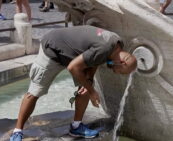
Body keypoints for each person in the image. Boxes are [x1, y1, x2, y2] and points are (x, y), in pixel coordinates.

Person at [9, 25, 137, 141]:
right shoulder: (105, 48)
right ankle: (17, 131)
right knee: (35, 92)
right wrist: (92, 91)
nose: (116, 73)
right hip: (53, 49)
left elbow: (97, 59)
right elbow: (73, 67)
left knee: (86, 87)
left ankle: (76, 127)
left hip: (75, 55)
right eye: (121, 71)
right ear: (123, 62)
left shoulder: (117, 45)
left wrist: (89, 81)